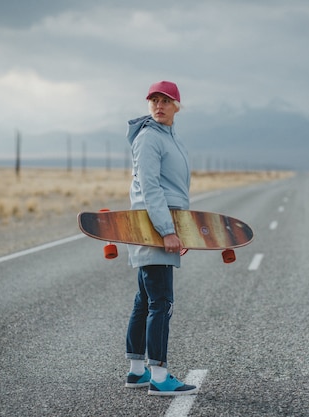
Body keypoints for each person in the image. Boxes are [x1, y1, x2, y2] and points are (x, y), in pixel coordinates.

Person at [123, 81, 197, 396]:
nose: (158, 105)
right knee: (161, 302)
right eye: (154, 100)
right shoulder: (149, 138)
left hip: (161, 225)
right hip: (153, 228)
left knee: (145, 300)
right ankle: (160, 376)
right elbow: (151, 188)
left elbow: (173, 189)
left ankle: (137, 371)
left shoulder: (171, 138)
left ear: (177, 106)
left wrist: (183, 230)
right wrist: (167, 231)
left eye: (165, 101)